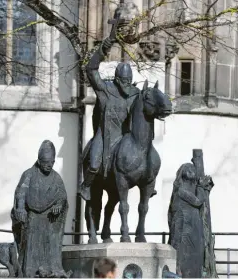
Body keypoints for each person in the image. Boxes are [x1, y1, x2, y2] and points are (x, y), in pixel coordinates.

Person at [78, 12, 156, 201]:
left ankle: (149, 181)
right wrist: (108, 43)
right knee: (94, 162)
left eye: (129, 81)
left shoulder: (135, 94)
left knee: (150, 158)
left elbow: (144, 112)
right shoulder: (105, 90)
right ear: (116, 79)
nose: (126, 84)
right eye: (123, 81)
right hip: (105, 135)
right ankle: (86, 186)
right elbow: (90, 69)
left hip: (126, 138)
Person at [10, 140, 69, 277]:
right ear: (39, 160)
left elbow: (62, 197)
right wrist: (20, 208)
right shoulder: (29, 174)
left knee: (50, 243)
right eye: (46, 162)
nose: (49, 165)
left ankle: (51, 270)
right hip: (32, 218)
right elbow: (21, 192)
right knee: (30, 243)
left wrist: (58, 206)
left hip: (50, 220)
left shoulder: (56, 178)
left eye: (52, 162)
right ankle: (29, 271)